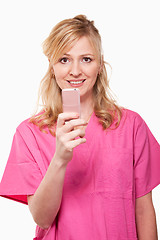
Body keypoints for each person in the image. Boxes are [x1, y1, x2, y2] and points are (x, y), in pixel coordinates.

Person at [0, 15, 160, 240]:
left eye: (86, 59)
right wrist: (60, 159)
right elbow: (42, 218)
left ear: (100, 65)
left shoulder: (131, 126)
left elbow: (143, 210)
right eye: (64, 60)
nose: (75, 71)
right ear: (52, 67)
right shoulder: (29, 133)